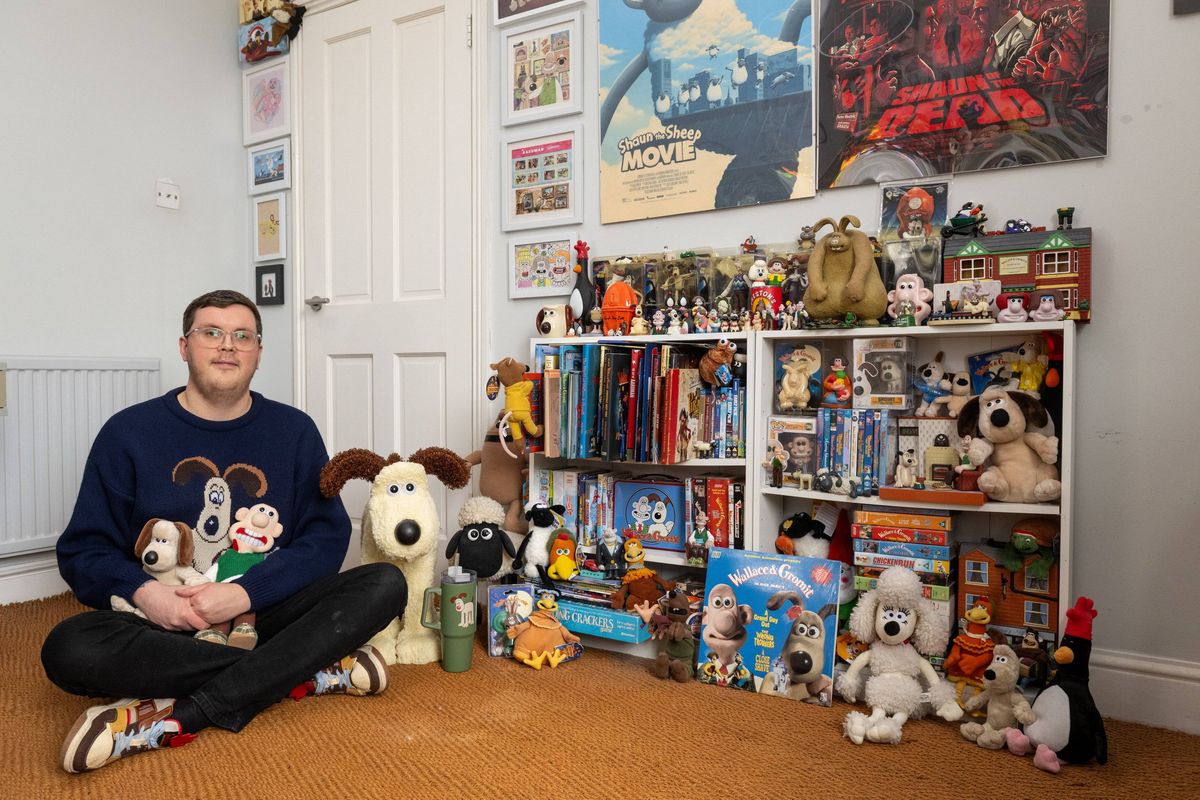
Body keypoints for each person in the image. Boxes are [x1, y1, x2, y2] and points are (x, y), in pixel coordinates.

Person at [42, 289, 406, 774]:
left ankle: (179, 715)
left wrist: (243, 594)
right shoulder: (127, 433)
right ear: (184, 346)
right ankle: (311, 669)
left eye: (242, 336)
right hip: (165, 622)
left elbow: (323, 539)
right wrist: (150, 595)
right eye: (211, 332)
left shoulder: (295, 430)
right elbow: (84, 549)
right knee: (68, 647)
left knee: (385, 583)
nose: (227, 345)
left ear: (258, 352)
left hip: (263, 613)